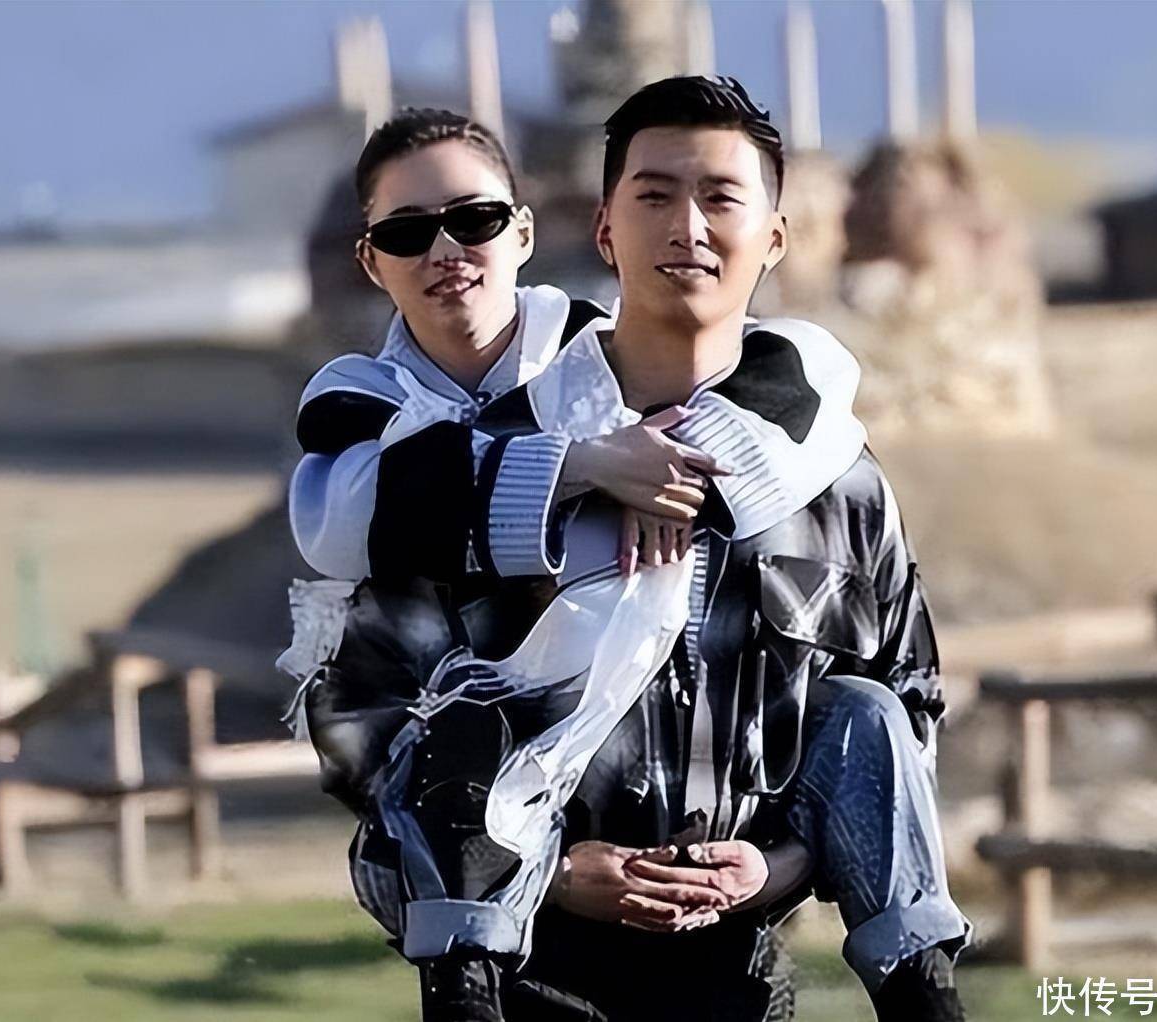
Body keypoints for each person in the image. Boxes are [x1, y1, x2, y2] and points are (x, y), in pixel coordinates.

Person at [285, 79, 973, 1022]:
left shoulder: (830, 472)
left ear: (775, 236)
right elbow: (376, 706)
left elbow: (902, 699)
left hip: (740, 970)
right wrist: (548, 867)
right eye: (654, 195)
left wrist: (779, 864)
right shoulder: (473, 471)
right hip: (517, 973)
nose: (687, 226)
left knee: (863, 712)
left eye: (721, 197)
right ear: (604, 230)